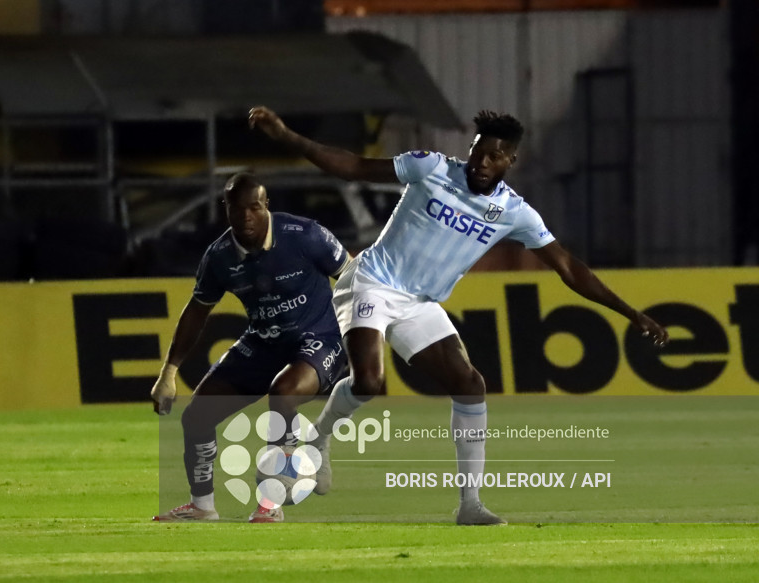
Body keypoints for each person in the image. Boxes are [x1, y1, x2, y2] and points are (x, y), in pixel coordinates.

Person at [248, 105, 669, 525]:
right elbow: (355, 167)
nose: (481, 163)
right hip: (372, 281)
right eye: (477, 152)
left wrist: (631, 313)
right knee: (370, 382)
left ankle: (470, 505)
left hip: (418, 301)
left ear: (510, 160)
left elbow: (569, 268)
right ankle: (319, 438)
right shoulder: (431, 168)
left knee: (469, 385)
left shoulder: (515, 212)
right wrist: (287, 136)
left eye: (494, 157)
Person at [150, 172, 350, 524]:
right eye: (237, 208)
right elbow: (197, 311)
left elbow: (354, 278)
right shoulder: (219, 257)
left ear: (266, 205)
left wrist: (364, 334)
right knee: (196, 416)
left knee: (283, 393)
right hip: (264, 341)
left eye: (254, 207)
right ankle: (202, 506)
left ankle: (272, 502)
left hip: (320, 337)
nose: (246, 216)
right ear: (225, 208)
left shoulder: (305, 235)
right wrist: (169, 373)